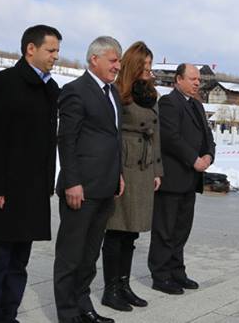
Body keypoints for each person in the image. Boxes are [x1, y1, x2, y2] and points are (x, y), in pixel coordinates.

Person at [0, 24, 62, 323]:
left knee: (19, 264)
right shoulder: (6, 82)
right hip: (3, 193)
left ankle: (8, 317)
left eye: (57, 51)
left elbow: (49, 141)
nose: (55, 57)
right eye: (51, 50)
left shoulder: (51, 88)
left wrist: (48, 183)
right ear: (30, 49)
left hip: (32, 194)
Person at [53, 36, 125, 323]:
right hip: (80, 188)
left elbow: (114, 138)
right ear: (94, 59)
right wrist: (72, 181)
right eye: (113, 60)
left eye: (118, 61)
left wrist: (118, 173)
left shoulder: (113, 93)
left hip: (106, 187)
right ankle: (68, 314)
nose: (117, 66)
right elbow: (66, 140)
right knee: (71, 255)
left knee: (89, 255)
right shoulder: (75, 91)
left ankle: (84, 306)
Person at [101, 41, 163, 312]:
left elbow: (156, 132)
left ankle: (124, 285)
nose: (148, 71)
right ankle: (110, 289)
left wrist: (157, 169)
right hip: (125, 163)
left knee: (132, 232)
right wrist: (114, 171)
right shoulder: (117, 91)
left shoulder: (151, 94)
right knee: (116, 230)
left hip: (144, 165)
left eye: (150, 66)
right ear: (133, 66)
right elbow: (109, 134)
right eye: (144, 66)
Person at [148, 63, 215, 295]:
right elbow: (171, 138)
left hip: (190, 180)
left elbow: (207, 135)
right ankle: (161, 274)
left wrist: (208, 155)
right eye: (193, 78)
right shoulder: (169, 103)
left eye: (199, 79)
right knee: (165, 229)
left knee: (181, 229)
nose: (197, 82)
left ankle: (177, 270)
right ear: (178, 79)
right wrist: (193, 159)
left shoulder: (196, 104)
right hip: (173, 177)